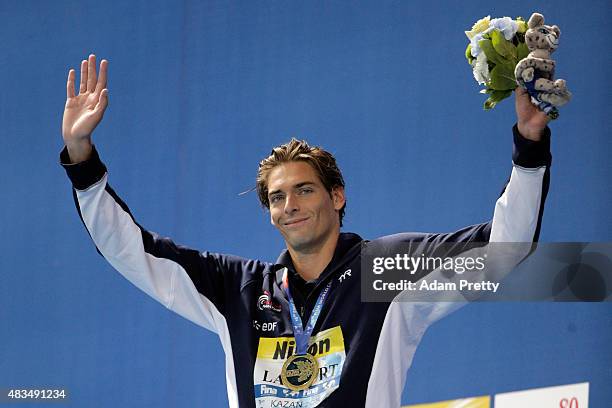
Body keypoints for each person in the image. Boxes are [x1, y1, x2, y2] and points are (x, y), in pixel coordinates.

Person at [60, 54, 552, 407]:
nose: (290, 206)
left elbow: (506, 249)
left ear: (337, 197)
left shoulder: (388, 271)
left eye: (305, 191)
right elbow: (131, 251)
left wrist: (529, 144)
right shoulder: (240, 291)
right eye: (277, 198)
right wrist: (82, 157)